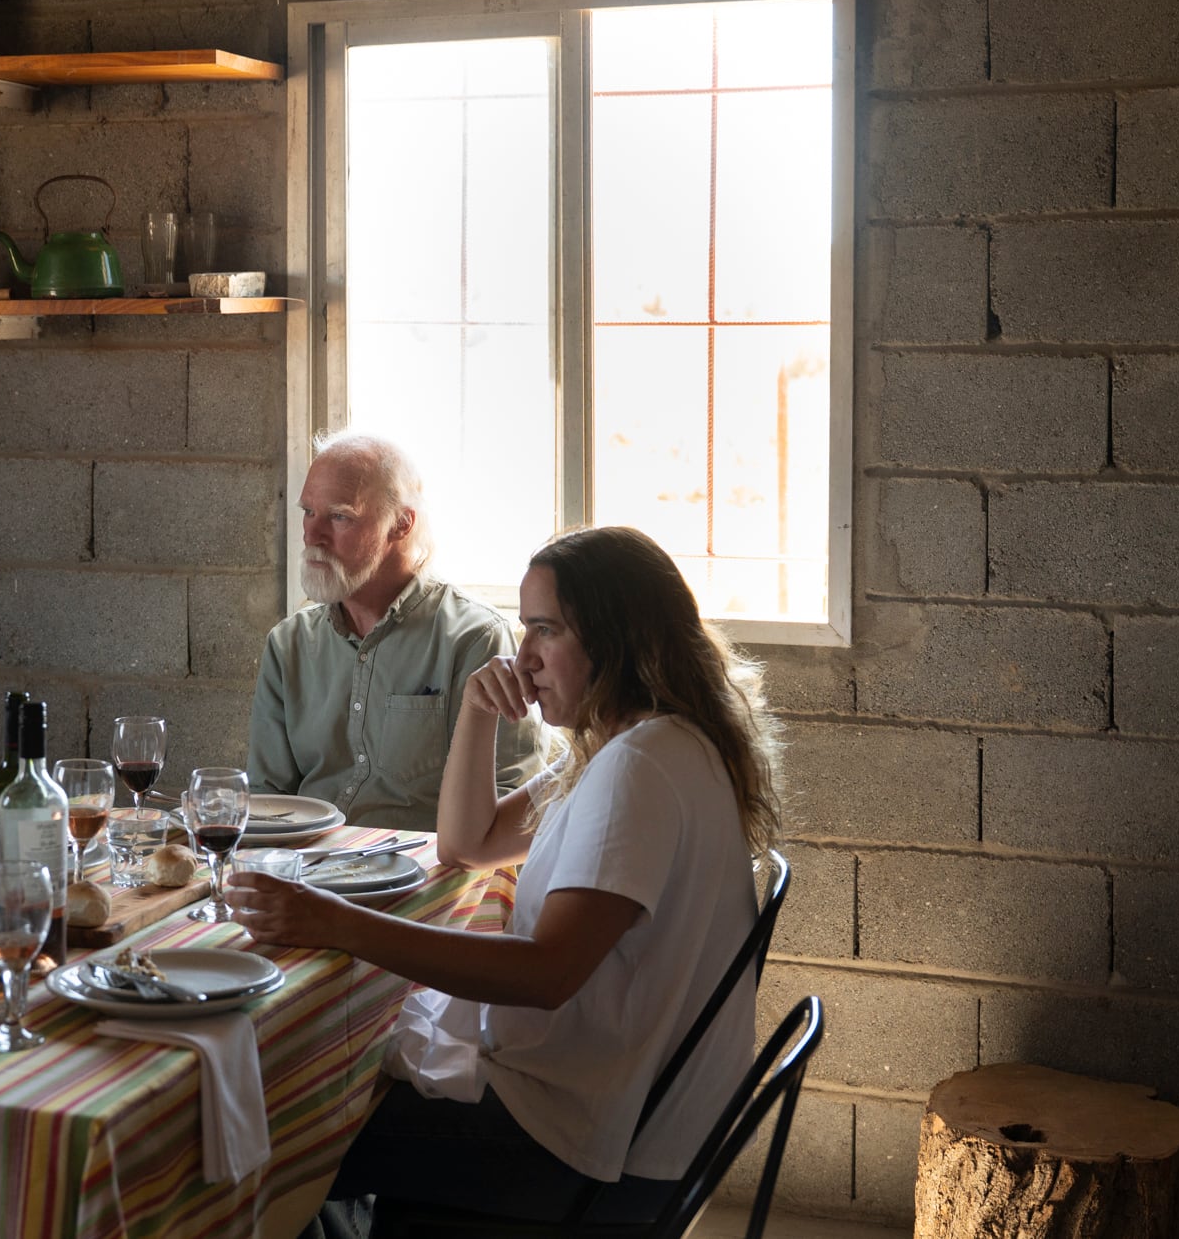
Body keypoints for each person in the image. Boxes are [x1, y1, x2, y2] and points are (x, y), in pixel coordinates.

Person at [228, 526, 782, 1230]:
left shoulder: (638, 767)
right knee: (337, 1090)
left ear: (617, 638)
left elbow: (544, 973)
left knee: (287, 1122)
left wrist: (331, 921)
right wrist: (477, 709)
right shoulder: (637, 738)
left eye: (545, 631)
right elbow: (469, 845)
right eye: (524, 629)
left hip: (595, 1145)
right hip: (621, 1108)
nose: (523, 657)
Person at [247, 432, 541, 831]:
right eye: (308, 512)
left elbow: (511, 798)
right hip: (307, 869)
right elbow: (267, 801)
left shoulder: (474, 638)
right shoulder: (289, 644)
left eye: (339, 516)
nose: (312, 536)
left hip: (426, 875)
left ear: (402, 524)